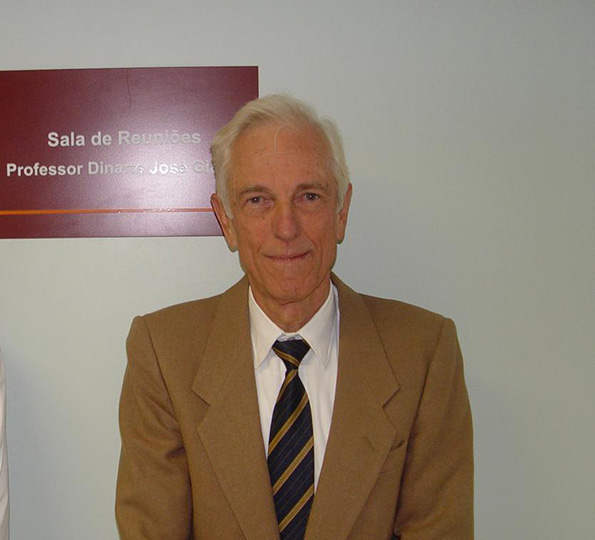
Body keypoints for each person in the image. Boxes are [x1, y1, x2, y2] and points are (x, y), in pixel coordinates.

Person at [116, 95, 473, 539]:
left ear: (341, 211)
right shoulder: (165, 354)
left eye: (309, 196)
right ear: (227, 220)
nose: (286, 227)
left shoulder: (423, 353)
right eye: (257, 200)